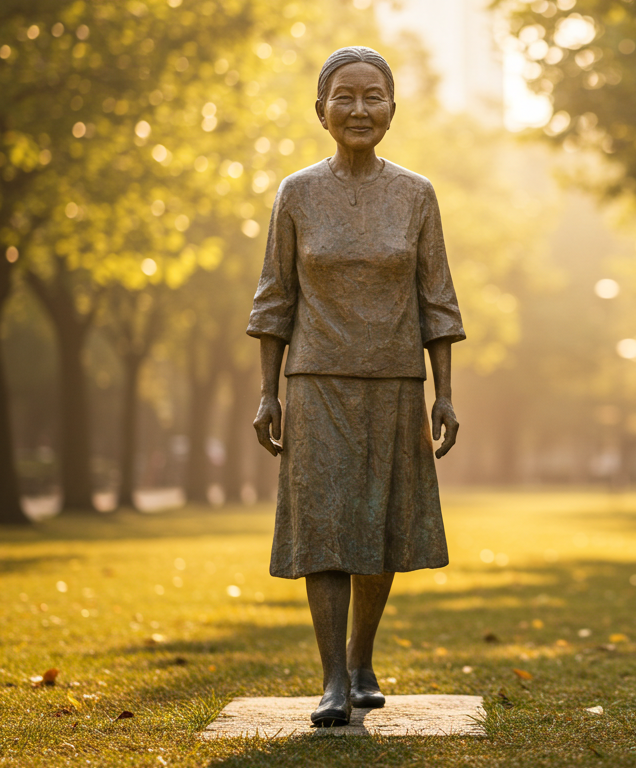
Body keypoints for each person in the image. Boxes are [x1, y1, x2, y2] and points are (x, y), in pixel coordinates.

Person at [247, 46, 464, 725]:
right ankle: (333, 679)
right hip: (315, 382)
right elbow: (273, 298)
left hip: (395, 381)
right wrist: (269, 390)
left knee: (381, 527)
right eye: (345, 96)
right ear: (321, 110)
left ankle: (363, 655)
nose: (359, 108)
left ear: (392, 111)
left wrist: (445, 392)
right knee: (325, 529)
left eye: (374, 96)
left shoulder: (416, 194)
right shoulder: (297, 193)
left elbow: (439, 302)